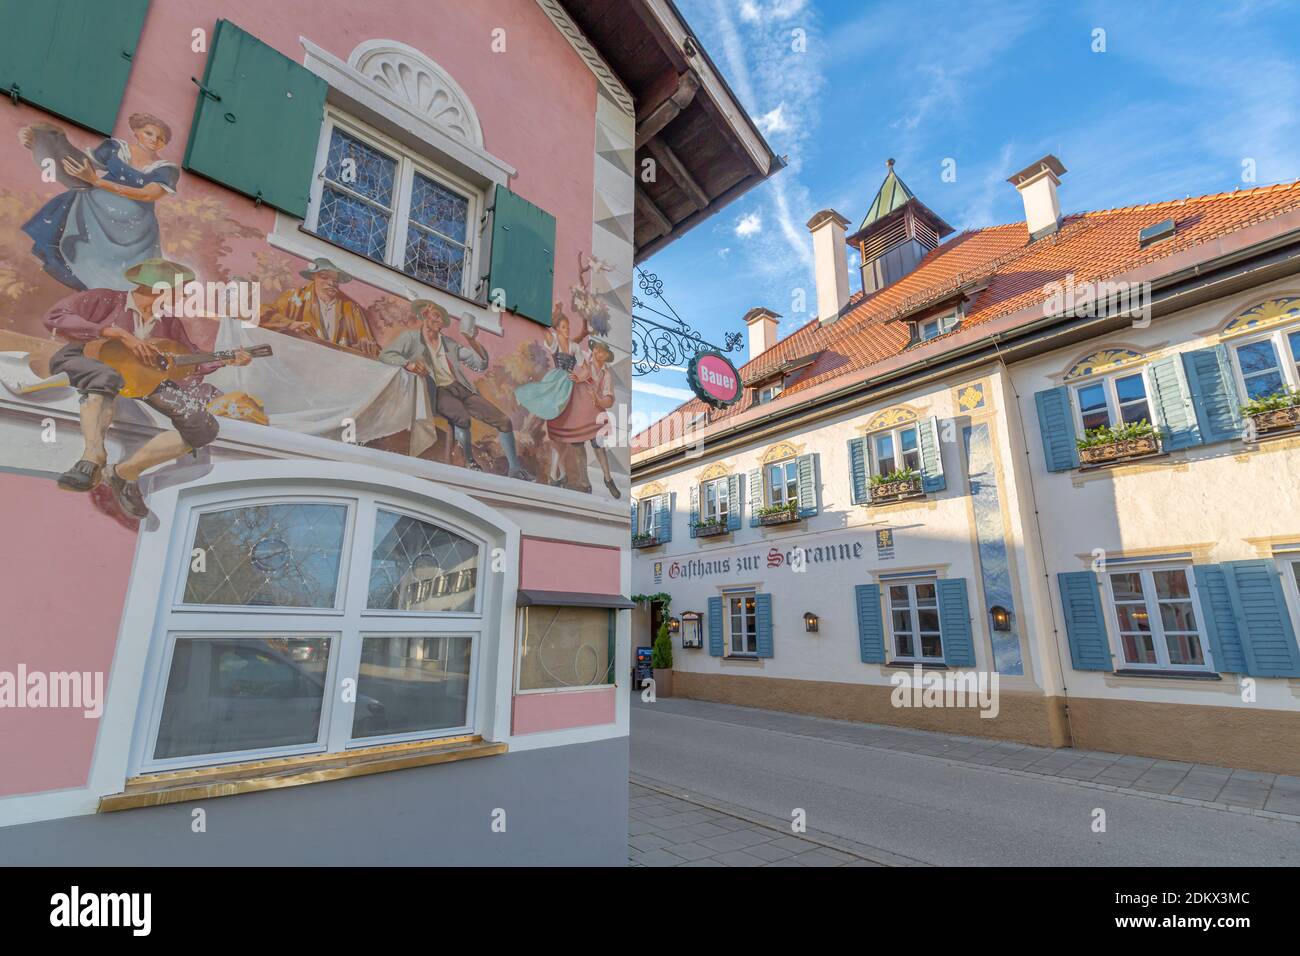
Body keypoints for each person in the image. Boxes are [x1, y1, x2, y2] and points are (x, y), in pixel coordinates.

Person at [43, 258, 251, 518]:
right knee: (107, 376)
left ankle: (125, 473)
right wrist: (116, 333)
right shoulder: (106, 300)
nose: (184, 295)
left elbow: (185, 359)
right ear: (158, 289)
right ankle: (92, 457)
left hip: (140, 377)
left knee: (202, 425)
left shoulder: (168, 321)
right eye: (179, 290)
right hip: (86, 359)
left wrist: (225, 358)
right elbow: (56, 317)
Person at [19, 113, 180, 292]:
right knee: (70, 203)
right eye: (149, 133)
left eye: (161, 139)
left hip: (135, 226)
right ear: (136, 132)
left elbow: (147, 195)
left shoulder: (167, 169)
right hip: (96, 208)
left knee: (127, 276)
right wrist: (44, 142)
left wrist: (97, 182)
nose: (154, 140)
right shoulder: (115, 148)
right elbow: (80, 165)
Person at [379, 300, 533, 481]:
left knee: (504, 420)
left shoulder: (449, 343)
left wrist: (472, 340)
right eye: (436, 315)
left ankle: (514, 468)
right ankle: (469, 461)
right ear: (424, 316)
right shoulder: (411, 338)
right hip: (436, 390)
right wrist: (409, 364)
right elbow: (385, 355)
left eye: (442, 319)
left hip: (460, 387)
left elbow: (480, 364)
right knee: (462, 417)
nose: (440, 321)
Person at [514, 311, 583, 484]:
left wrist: (579, 377)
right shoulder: (555, 341)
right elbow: (547, 334)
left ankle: (557, 472)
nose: (567, 330)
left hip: (568, 384)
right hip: (556, 379)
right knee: (543, 402)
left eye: (568, 327)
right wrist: (542, 314)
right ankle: (526, 430)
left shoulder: (574, 346)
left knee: (566, 428)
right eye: (563, 327)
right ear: (557, 329)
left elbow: (583, 366)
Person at [260, 257, 380, 355]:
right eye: (324, 277)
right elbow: (262, 313)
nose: (331, 283)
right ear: (314, 277)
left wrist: (366, 346)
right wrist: (290, 324)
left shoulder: (352, 309)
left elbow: (368, 345)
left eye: (336, 279)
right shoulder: (294, 297)